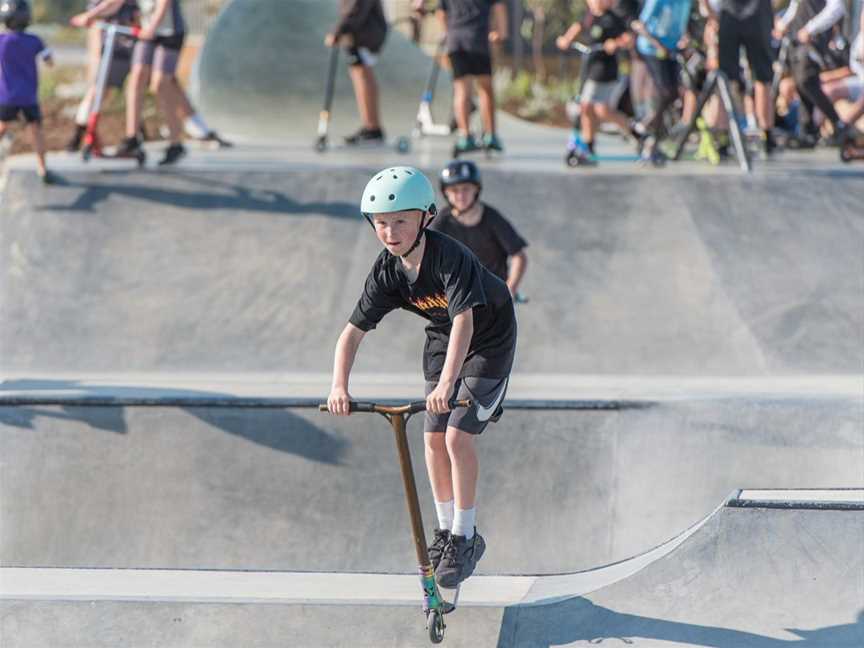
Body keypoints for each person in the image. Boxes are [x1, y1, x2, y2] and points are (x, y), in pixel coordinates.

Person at [327, 166, 516, 588]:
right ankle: (446, 532)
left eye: (401, 222)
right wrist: (340, 385)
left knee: (455, 437)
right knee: (431, 438)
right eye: (381, 224)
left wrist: (448, 385)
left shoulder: (450, 256)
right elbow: (351, 334)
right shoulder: (386, 271)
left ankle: (466, 536)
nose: (391, 233)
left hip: (489, 337)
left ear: (426, 218)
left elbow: (465, 321)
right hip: (442, 336)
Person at [556, 0, 643, 161]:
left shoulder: (613, 18)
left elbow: (628, 37)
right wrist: (566, 39)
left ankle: (632, 131)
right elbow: (578, 26)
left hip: (605, 70)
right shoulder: (589, 16)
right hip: (589, 67)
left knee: (594, 108)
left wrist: (615, 43)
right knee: (591, 108)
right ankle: (589, 145)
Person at [431, 160, 527, 297]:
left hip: (491, 294)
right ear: (446, 193)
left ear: (476, 189)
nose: (460, 196)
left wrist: (510, 289)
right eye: (454, 190)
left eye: (466, 189)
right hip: (457, 294)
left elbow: (519, 256)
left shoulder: (492, 218)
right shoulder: (442, 222)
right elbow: (427, 256)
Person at [773, 0, 849, 146]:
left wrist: (811, 28)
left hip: (814, 40)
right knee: (800, 83)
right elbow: (796, 5)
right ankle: (808, 130)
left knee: (805, 80)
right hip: (797, 38)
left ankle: (837, 122)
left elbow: (837, 8)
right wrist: (784, 23)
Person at [67, 0, 139, 152]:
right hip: (112, 49)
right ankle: (79, 135)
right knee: (98, 91)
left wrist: (89, 16)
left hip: (124, 47)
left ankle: (79, 135)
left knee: (123, 90)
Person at [438, 0, 508, 154]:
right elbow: (499, 6)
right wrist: (501, 33)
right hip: (478, 40)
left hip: (456, 41)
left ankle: (465, 135)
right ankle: (491, 135)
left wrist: (447, 35)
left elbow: (442, 13)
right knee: (485, 89)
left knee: (461, 90)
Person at [631, 0, 694, 161]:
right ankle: (647, 132)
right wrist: (659, 46)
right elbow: (640, 25)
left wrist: (685, 39)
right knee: (666, 91)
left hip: (671, 49)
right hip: (651, 49)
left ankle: (646, 128)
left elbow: (682, 23)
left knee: (673, 94)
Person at [0, 0, 55, 183]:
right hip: (29, 97)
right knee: (36, 130)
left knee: (2, 127)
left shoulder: (2, 40)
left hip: (7, 96)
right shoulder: (34, 40)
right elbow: (49, 61)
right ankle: (42, 168)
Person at [715, 0, 776, 153]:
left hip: (740, 14)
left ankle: (724, 136)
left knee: (732, 77)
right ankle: (766, 135)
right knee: (759, 77)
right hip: (752, 14)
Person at [325, 0, 388, 145]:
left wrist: (339, 31)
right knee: (361, 73)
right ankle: (371, 126)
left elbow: (356, 7)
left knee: (362, 73)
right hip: (363, 32)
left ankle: (372, 127)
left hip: (363, 33)